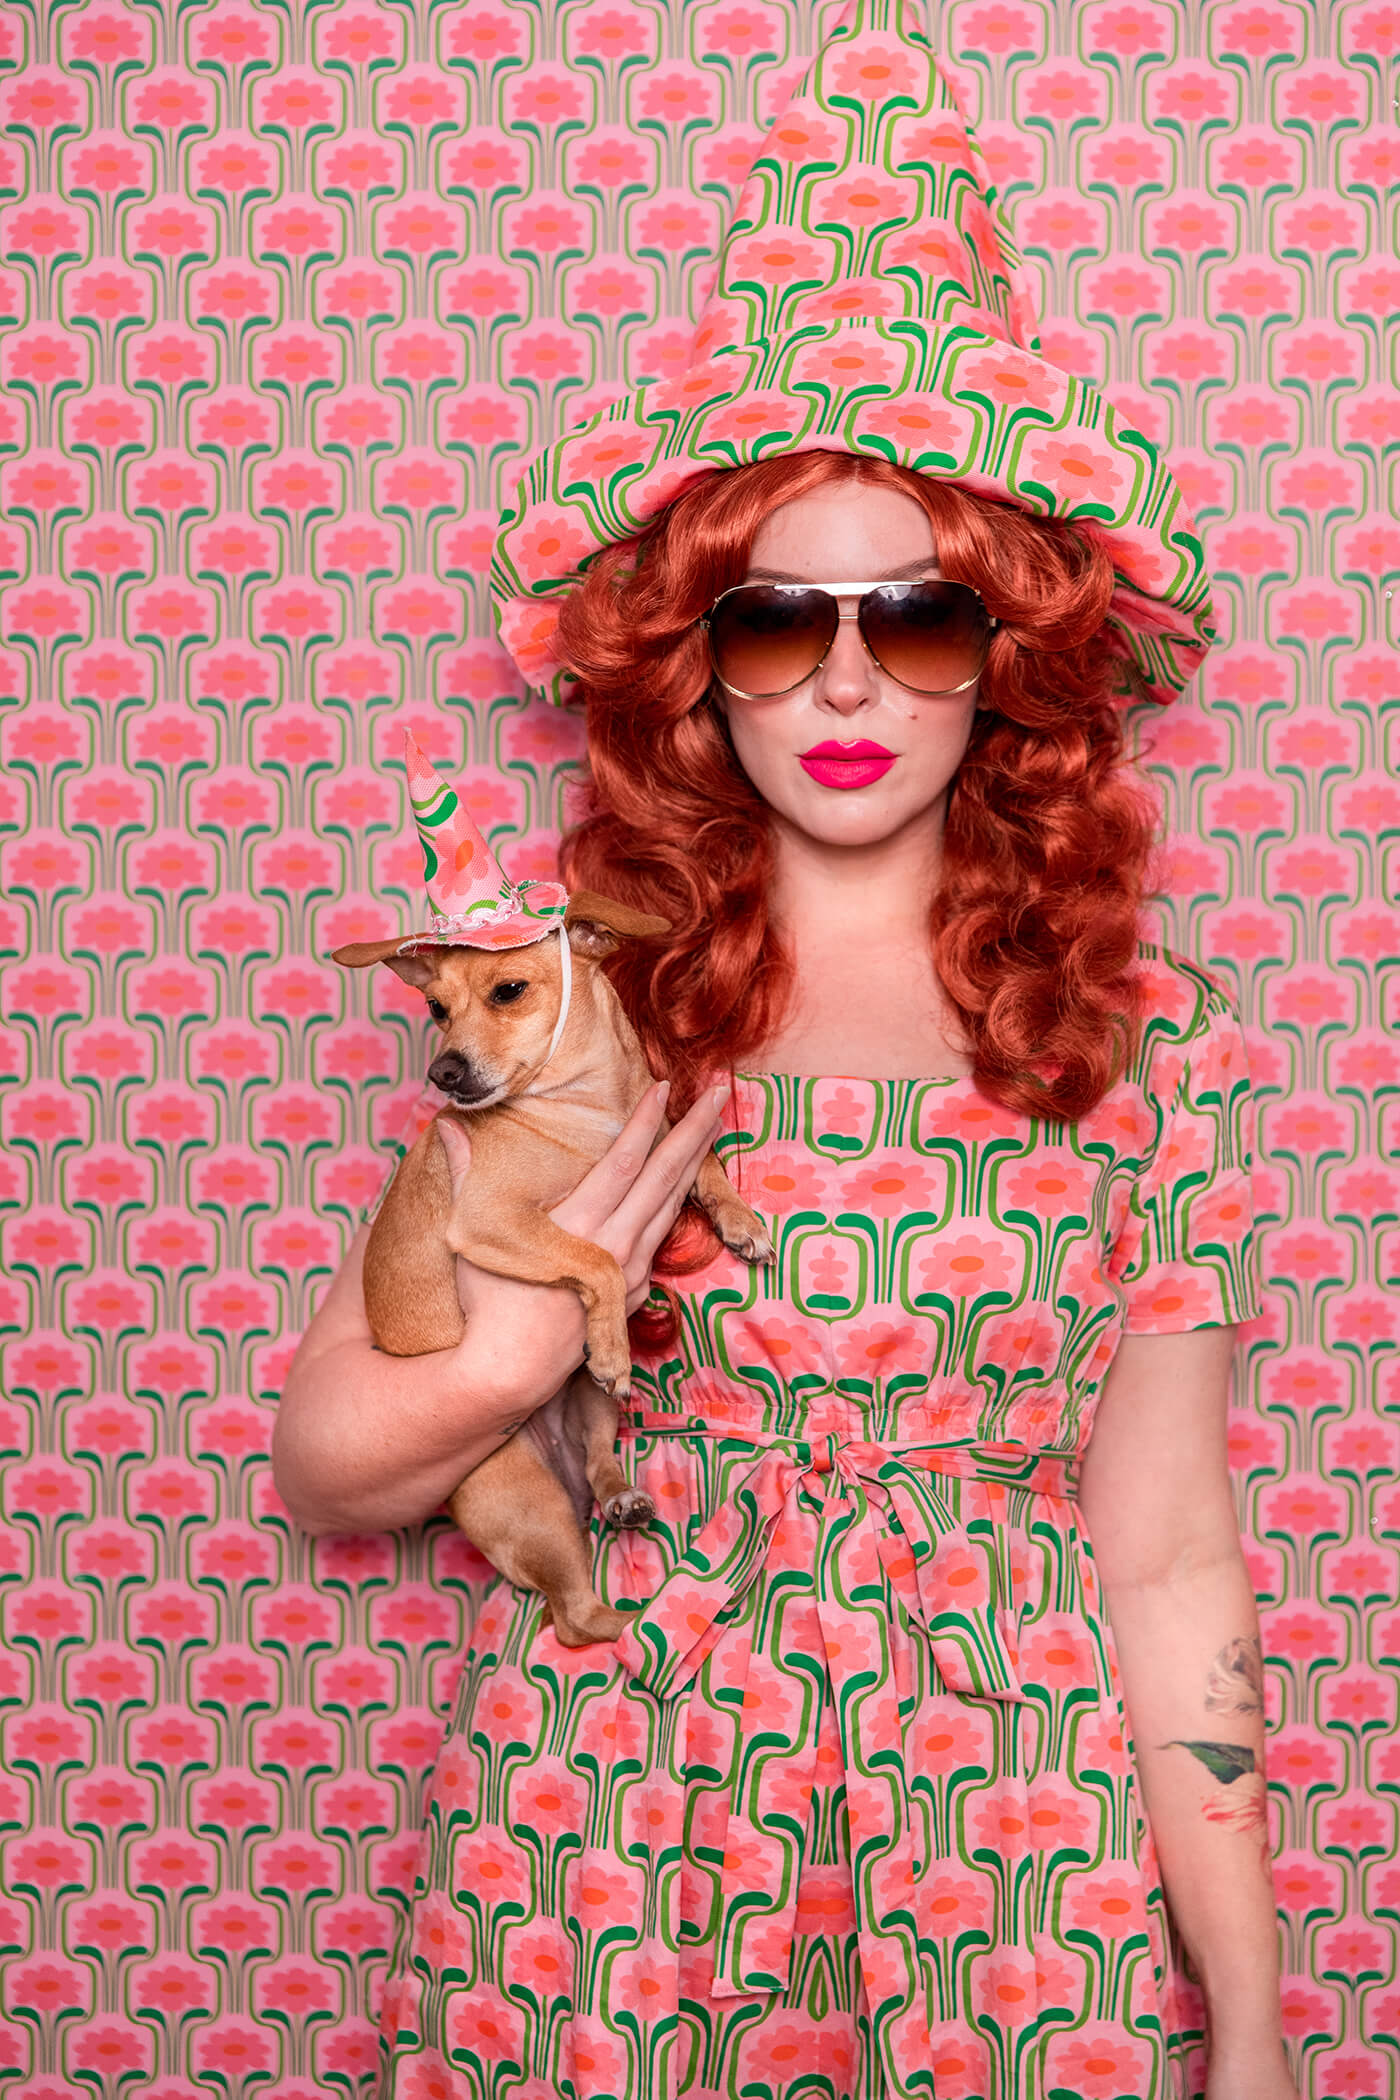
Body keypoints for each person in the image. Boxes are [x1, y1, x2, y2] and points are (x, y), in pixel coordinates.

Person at [273, 7, 1296, 2097]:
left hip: (1007, 1849)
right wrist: (522, 1351)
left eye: (915, 617)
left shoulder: (1132, 1046)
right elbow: (327, 1469)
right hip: (620, 1835)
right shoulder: (579, 989)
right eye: (774, 619)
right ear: (695, 664)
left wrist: (1259, 2030)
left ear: (1003, 660)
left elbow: (1169, 1550)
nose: (845, 678)